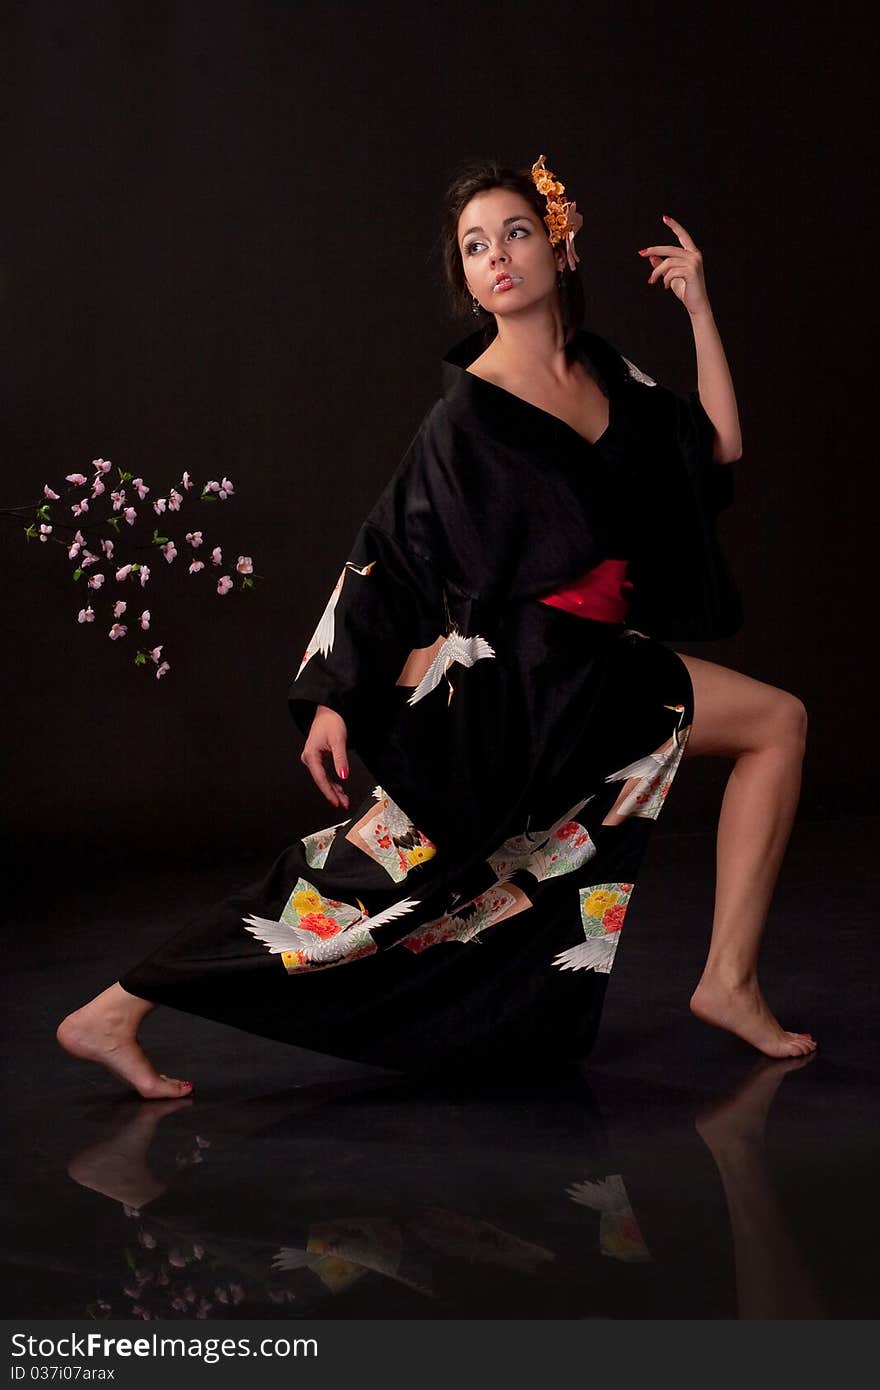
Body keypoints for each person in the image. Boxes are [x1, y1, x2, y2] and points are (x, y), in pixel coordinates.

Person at [57, 154, 816, 1099]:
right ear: (464, 279)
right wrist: (336, 694)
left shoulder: (607, 370)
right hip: (519, 690)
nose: (497, 256)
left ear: (558, 245)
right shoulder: (469, 415)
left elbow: (717, 447)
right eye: (474, 246)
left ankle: (729, 982)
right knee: (371, 880)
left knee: (778, 723)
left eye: (515, 233)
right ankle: (116, 1008)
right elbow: (389, 552)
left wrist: (700, 309)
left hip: (602, 669)